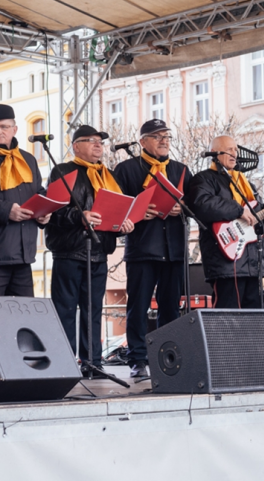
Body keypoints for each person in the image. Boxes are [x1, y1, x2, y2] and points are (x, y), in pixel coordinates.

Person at [46, 125, 134, 374]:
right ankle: (63, 364)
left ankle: (93, 362)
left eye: (100, 141)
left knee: (94, 311)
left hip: (99, 251)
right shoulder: (63, 171)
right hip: (69, 250)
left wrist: (123, 225)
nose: (98, 145)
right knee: (65, 311)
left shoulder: (109, 175)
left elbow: (113, 212)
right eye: (91, 141)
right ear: (76, 146)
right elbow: (53, 211)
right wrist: (79, 215)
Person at [113, 118, 193, 379]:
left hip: (174, 249)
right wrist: (137, 211)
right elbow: (116, 206)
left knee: (171, 307)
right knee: (139, 306)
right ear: (142, 141)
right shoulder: (126, 169)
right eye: (157, 136)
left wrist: (184, 209)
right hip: (143, 248)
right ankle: (138, 359)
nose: (164, 141)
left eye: (167, 136)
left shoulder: (181, 170)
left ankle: (166, 358)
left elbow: (196, 204)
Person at [0, 104, 50, 297]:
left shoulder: (28, 159)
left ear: (15, 129)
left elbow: (38, 192)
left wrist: (44, 213)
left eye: (4, 127)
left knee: (24, 317)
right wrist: (7, 211)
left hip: (24, 255)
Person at [189, 136, 264, 308]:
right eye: (230, 149)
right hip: (225, 261)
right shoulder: (204, 179)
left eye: (236, 150)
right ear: (216, 153)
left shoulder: (246, 184)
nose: (235, 153)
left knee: (254, 318)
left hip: (252, 263)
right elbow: (202, 204)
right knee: (226, 318)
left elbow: (258, 214)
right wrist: (239, 210)